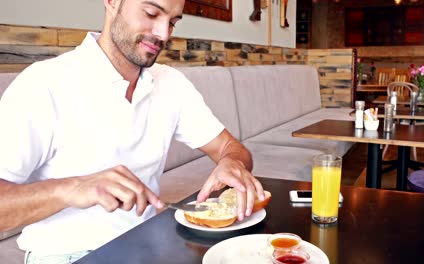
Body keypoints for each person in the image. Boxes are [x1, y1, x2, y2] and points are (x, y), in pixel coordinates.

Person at [0, 0, 264, 262]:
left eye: (172, 22)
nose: (163, 34)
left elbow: (232, 148)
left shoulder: (171, 84)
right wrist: (71, 188)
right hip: (68, 254)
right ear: (113, 2)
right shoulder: (42, 85)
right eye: (151, 13)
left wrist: (232, 162)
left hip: (148, 245)